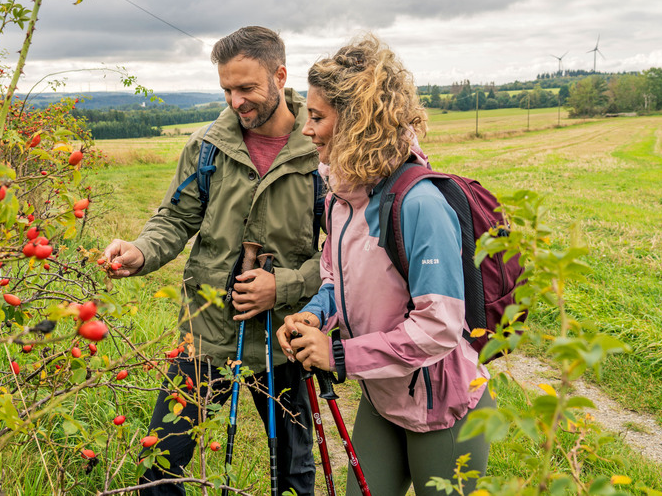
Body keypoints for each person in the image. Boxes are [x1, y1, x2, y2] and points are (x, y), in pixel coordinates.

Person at [103, 26, 319, 496]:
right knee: (161, 464)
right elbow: (176, 219)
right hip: (206, 336)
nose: (235, 102)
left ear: (280, 76)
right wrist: (141, 251)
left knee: (294, 472)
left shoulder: (320, 151)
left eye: (247, 88)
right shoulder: (206, 148)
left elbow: (344, 256)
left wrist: (280, 287)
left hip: (288, 338)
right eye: (226, 89)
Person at [276, 34, 494, 496]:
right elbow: (336, 277)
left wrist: (338, 356)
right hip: (384, 395)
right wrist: (316, 313)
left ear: (356, 121)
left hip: (446, 406)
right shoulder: (341, 198)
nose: (307, 130)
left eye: (317, 117)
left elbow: (439, 327)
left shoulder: (420, 204)